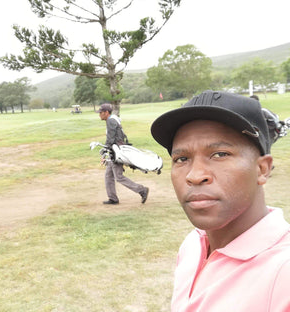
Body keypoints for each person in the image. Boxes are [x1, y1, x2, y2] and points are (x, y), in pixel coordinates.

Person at [150, 90, 290, 311]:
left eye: (220, 154)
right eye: (182, 159)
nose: (194, 175)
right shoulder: (193, 245)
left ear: (262, 169)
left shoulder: (283, 273)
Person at [97, 103, 149, 205]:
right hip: (115, 151)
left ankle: (142, 190)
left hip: (116, 152)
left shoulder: (110, 121)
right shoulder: (113, 119)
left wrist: (104, 151)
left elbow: (111, 139)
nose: (99, 115)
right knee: (108, 176)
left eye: (101, 112)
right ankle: (113, 198)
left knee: (119, 177)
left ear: (106, 113)